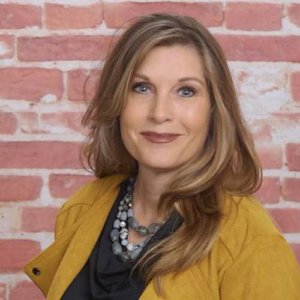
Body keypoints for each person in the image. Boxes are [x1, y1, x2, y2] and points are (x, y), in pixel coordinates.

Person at [24, 13, 300, 300]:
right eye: (141, 88)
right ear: (118, 101)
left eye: (186, 91)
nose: (159, 113)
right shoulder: (82, 208)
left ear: (214, 110)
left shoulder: (251, 242)